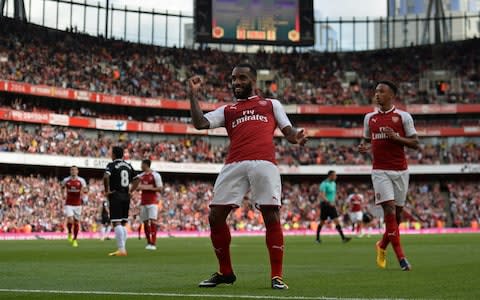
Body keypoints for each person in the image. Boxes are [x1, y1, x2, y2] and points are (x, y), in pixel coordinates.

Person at [188, 63, 307, 290]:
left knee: (271, 216)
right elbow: (200, 123)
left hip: (264, 162)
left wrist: (297, 136)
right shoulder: (228, 110)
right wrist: (192, 95)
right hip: (234, 163)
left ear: (253, 81)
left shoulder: (271, 104)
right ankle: (226, 272)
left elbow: (288, 131)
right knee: (215, 217)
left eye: (241, 78)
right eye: (233, 79)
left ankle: (276, 276)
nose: (236, 83)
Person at [359, 80, 419, 271]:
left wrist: (396, 138)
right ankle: (402, 259)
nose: (377, 94)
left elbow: (415, 143)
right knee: (390, 211)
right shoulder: (370, 118)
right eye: (376, 91)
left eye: (382, 92)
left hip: (401, 170)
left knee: (398, 216)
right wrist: (364, 146)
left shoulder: (403, 117)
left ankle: (382, 245)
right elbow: (367, 140)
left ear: (392, 95)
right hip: (380, 171)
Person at [104, 146, 135, 257]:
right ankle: (123, 249)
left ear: (113, 155)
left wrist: (107, 191)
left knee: (116, 222)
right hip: (126, 195)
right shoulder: (128, 166)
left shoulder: (111, 165)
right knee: (122, 223)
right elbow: (137, 179)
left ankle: (121, 250)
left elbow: (106, 176)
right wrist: (131, 191)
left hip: (116, 194)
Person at [131, 159, 163, 250]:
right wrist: (147, 187)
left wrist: (147, 188)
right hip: (143, 202)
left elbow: (160, 188)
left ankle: (153, 243)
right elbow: (136, 187)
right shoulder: (140, 176)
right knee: (145, 222)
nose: (141, 166)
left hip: (153, 202)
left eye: (142, 164)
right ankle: (148, 242)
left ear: (146, 165)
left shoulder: (155, 175)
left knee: (153, 221)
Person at [315, 171, 351, 243]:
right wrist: (329, 202)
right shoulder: (324, 184)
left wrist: (335, 201)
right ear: (330, 176)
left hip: (331, 205)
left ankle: (343, 238)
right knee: (322, 222)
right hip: (326, 205)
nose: (336, 177)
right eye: (335, 175)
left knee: (336, 220)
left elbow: (333, 194)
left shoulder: (333, 184)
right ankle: (317, 239)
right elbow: (322, 195)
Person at [61, 166, 88, 248]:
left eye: (75, 170)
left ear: (77, 171)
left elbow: (85, 190)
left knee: (76, 222)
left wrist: (85, 196)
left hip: (78, 204)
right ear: (70, 171)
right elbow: (62, 187)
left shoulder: (81, 180)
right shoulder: (66, 180)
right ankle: (69, 232)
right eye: (72, 170)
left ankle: (75, 239)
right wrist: (63, 195)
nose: (73, 171)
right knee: (70, 219)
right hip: (69, 203)